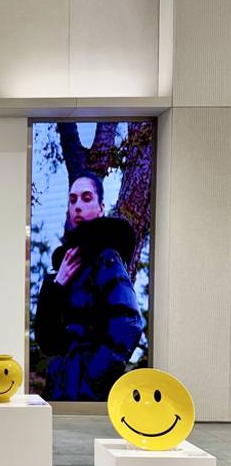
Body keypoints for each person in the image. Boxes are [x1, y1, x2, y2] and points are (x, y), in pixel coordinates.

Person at [34, 172, 143, 401]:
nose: (77, 206)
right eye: (72, 200)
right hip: (60, 388)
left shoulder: (106, 257)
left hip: (87, 391)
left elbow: (128, 324)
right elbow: (47, 342)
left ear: (101, 208)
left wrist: (92, 381)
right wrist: (57, 285)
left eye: (86, 198)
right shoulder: (67, 266)